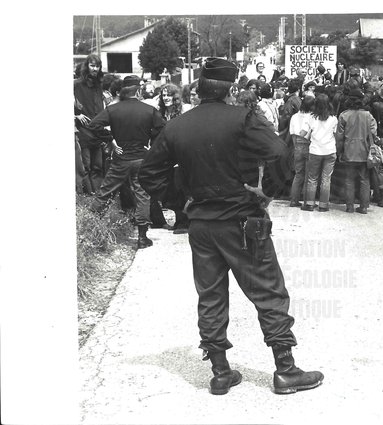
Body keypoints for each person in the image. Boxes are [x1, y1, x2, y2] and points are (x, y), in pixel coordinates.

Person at [138, 58, 323, 396]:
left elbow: (149, 174)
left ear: (200, 88)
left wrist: (181, 201)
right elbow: (280, 152)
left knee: (210, 295)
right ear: (231, 89)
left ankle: (220, 371)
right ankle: (285, 369)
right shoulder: (244, 118)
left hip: (202, 224)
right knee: (268, 291)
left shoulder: (177, 125)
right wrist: (269, 192)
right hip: (242, 220)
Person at [88, 75, 166, 249]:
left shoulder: (113, 109)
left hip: (121, 158)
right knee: (142, 195)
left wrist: (110, 139)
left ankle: (90, 227)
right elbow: (162, 128)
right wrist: (150, 142)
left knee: (105, 191)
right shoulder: (149, 110)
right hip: (140, 157)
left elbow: (93, 125)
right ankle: (142, 237)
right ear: (138, 91)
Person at [336, 89, 378, 214]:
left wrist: (339, 152)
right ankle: (364, 207)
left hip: (349, 151)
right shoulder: (368, 115)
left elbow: (339, 137)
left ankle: (349, 206)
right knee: (364, 179)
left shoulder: (344, 115)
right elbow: (374, 133)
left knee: (349, 179)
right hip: (365, 151)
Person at [74, 53, 110, 194]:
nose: (95, 69)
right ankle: (88, 193)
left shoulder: (99, 84)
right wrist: (76, 114)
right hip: (84, 130)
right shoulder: (76, 84)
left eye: (97, 66)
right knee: (86, 165)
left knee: (98, 165)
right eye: (92, 65)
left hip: (98, 129)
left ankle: (97, 192)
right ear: (87, 66)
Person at [298, 94, 338, 212]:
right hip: (330, 150)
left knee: (312, 178)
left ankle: (310, 204)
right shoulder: (333, 119)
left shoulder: (311, 118)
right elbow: (336, 135)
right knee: (326, 179)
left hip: (315, 150)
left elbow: (302, 133)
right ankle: (323, 205)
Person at [288, 96, 315, 208]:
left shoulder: (294, 117)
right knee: (309, 175)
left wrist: (296, 147)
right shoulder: (313, 117)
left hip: (298, 145)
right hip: (309, 145)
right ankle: (306, 201)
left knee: (298, 174)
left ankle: (294, 200)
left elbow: (293, 134)